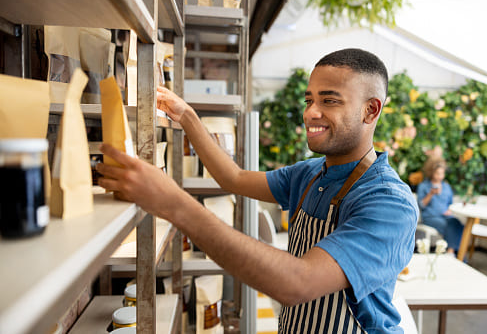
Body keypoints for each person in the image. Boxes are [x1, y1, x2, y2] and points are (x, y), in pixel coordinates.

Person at [97, 48, 418, 333]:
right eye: (310, 100)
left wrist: (173, 204)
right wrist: (187, 118)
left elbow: (298, 282)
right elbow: (233, 178)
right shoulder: (308, 173)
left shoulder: (388, 203)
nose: (311, 112)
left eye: (329, 100)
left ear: (371, 110)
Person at [417, 157, 464, 254]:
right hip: (430, 217)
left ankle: (450, 252)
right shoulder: (424, 186)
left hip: (445, 216)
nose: (440, 176)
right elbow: (421, 205)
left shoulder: (446, 187)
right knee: (448, 226)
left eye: (442, 173)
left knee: (458, 224)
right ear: (431, 172)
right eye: (437, 173)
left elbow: (451, 204)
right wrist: (430, 194)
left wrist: (450, 211)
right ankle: (455, 254)